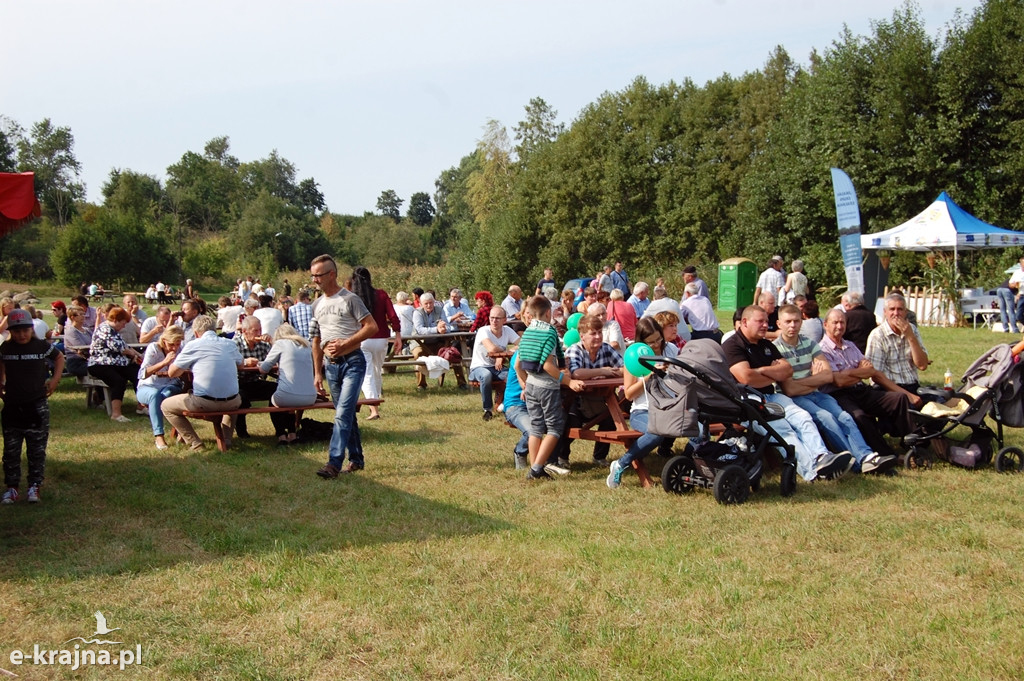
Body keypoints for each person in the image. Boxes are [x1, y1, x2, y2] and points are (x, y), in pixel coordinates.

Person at [723, 305, 852, 482]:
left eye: (766, 322)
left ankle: (822, 457)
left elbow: (787, 371)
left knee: (803, 417)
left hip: (772, 396)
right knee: (784, 431)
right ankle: (813, 473)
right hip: (748, 400)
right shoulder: (732, 345)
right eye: (760, 321)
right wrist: (770, 372)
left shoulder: (766, 345)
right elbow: (745, 378)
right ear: (744, 322)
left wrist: (759, 372)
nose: (765, 326)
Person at [773, 305, 896, 474]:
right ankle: (856, 462)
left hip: (816, 394)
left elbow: (827, 377)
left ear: (802, 322)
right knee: (826, 417)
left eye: (796, 321)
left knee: (845, 417)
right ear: (779, 324)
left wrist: (804, 381)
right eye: (788, 322)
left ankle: (865, 456)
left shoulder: (810, 344)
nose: (792, 325)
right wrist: (814, 380)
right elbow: (790, 390)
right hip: (796, 400)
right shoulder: (775, 349)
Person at [309, 254, 379, 479]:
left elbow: (372, 327)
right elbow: (316, 340)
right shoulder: (317, 305)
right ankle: (356, 460)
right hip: (331, 367)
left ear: (332, 274)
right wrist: (317, 372)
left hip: (353, 363)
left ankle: (333, 463)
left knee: (342, 414)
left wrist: (345, 343)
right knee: (346, 414)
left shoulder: (350, 299)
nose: (314, 280)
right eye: (312, 276)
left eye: (318, 275)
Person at [819, 308, 917, 461]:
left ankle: (913, 445)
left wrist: (849, 373)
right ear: (825, 325)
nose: (839, 326)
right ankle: (888, 455)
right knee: (859, 416)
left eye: (842, 322)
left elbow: (870, 370)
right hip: (839, 395)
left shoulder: (850, 345)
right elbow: (838, 381)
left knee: (899, 398)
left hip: (861, 389)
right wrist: (859, 371)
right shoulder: (822, 350)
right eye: (835, 322)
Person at [514, 295, 583, 480]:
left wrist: (525, 383)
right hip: (546, 387)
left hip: (531, 385)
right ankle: (536, 468)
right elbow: (547, 365)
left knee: (536, 427)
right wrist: (569, 382)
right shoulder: (549, 333)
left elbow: (517, 365)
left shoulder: (528, 332)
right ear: (547, 313)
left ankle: (536, 468)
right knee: (554, 427)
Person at [0, 309, 63, 505]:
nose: (21, 334)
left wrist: (54, 380)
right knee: (11, 451)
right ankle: (12, 488)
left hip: (36, 404)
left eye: (25, 330)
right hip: (12, 405)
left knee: (36, 449)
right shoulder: (5, 349)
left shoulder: (41, 345)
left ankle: (34, 486)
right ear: (10, 331)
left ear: (31, 328)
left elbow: (59, 358)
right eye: (17, 331)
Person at [162, 315, 244, 451]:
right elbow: (241, 364)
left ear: (195, 333)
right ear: (215, 329)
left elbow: (172, 373)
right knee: (231, 399)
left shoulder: (194, 345)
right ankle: (227, 439)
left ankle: (196, 443)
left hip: (204, 402)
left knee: (166, 406)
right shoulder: (229, 344)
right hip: (233, 401)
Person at [554, 314, 624, 470]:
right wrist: (603, 371)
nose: (598, 337)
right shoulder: (574, 349)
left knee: (611, 419)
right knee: (572, 423)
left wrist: (605, 373)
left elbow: (625, 369)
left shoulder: (606, 348)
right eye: (593, 333)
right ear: (582, 336)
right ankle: (562, 457)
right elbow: (576, 373)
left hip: (599, 399)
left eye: (599, 332)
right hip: (574, 398)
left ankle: (599, 457)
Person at [607, 317, 667, 489]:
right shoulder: (634, 357)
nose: (656, 344)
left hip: (669, 408)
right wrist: (649, 376)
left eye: (659, 339)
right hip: (642, 411)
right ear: (642, 342)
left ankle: (687, 465)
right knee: (657, 432)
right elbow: (630, 393)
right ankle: (621, 464)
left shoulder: (670, 350)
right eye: (651, 342)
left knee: (700, 429)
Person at [351, 266, 400, 420]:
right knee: (376, 371)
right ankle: (375, 403)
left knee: (367, 374)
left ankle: (374, 408)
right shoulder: (381, 294)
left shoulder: (353, 297)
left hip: (363, 338)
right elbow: (392, 315)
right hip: (382, 338)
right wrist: (398, 334)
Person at [259, 323, 317, 445]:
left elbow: (264, 368)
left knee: (275, 400)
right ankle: (292, 433)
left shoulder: (280, 344)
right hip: (310, 396)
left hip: (288, 395)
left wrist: (258, 364)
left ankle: (281, 435)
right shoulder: (306, 345)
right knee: (287, 397)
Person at [88, 306, 144, 423]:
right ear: (115, 320)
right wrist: (132, 354)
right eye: (123, 323)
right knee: (118, 381)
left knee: (138, 374)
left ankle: (142, 406)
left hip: (116, 363)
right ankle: (116, 414)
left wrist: (139, 355)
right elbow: (120, 348)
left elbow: (126, 346)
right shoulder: (104, 329)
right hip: (100, 364)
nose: (124, 326)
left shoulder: (115, 331)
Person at [865, 293, 929, 395]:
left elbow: (922, 365)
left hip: (912, 385)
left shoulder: (912, 329)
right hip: (888, 389)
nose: (896, 313)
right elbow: (875, 375)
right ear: (885, 312)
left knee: (941, 401)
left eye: (900, 309)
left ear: (905, 312)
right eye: (892, 309)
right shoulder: (878, 335)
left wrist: (911, 337)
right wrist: (908, 396)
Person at [136, 326, 185, 451]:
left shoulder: (181, 350)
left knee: (167, 394)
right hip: (148, 386)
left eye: (177, 344)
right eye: (171, 344)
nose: (174, 348)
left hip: (170, 384)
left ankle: (181, 431)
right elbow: (142, 373)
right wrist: (164, 362)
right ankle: (159, 435)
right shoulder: (154, 348)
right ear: (164, 341)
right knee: (155, 395)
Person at [468, 306, 519, 421]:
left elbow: (522, 344)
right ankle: (487, 409)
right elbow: (491, 349)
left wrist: (503, 355)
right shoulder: (483, 331)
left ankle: (508, 404)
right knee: (486, 375)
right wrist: (503, 354)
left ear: (504, 320)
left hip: (496, 368)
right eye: (492, 318)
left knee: (514, 375)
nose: (494, 321)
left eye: (497, 318)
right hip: (478, 367)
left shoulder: (507, 330)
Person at [411, 292, 467, 389]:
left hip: (438, 341)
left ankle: (462, 383)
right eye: (426, 303)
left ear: (434, 302)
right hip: (420, 342)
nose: (429, 305)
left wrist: (444, 329)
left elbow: (448, 326)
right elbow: (420, 330)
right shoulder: (417, 312)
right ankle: (421, 385)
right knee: (419, 355)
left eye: (431, 303)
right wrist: (436, 329)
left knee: (454, 353)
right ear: (421, 304)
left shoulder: (440, 310)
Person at [232, 316, 275, 438]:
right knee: (241, 399)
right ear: (245, 331)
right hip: (238, 382)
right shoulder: (234, 344)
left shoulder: (262, 345)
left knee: (279, 391)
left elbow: (276, 358)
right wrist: (245, 362)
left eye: (260, 330)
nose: (259, 333)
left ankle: (281, 429)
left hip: (255, 381)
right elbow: (228, 363)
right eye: (255, 331)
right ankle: (242, 432)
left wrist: (272, 342)